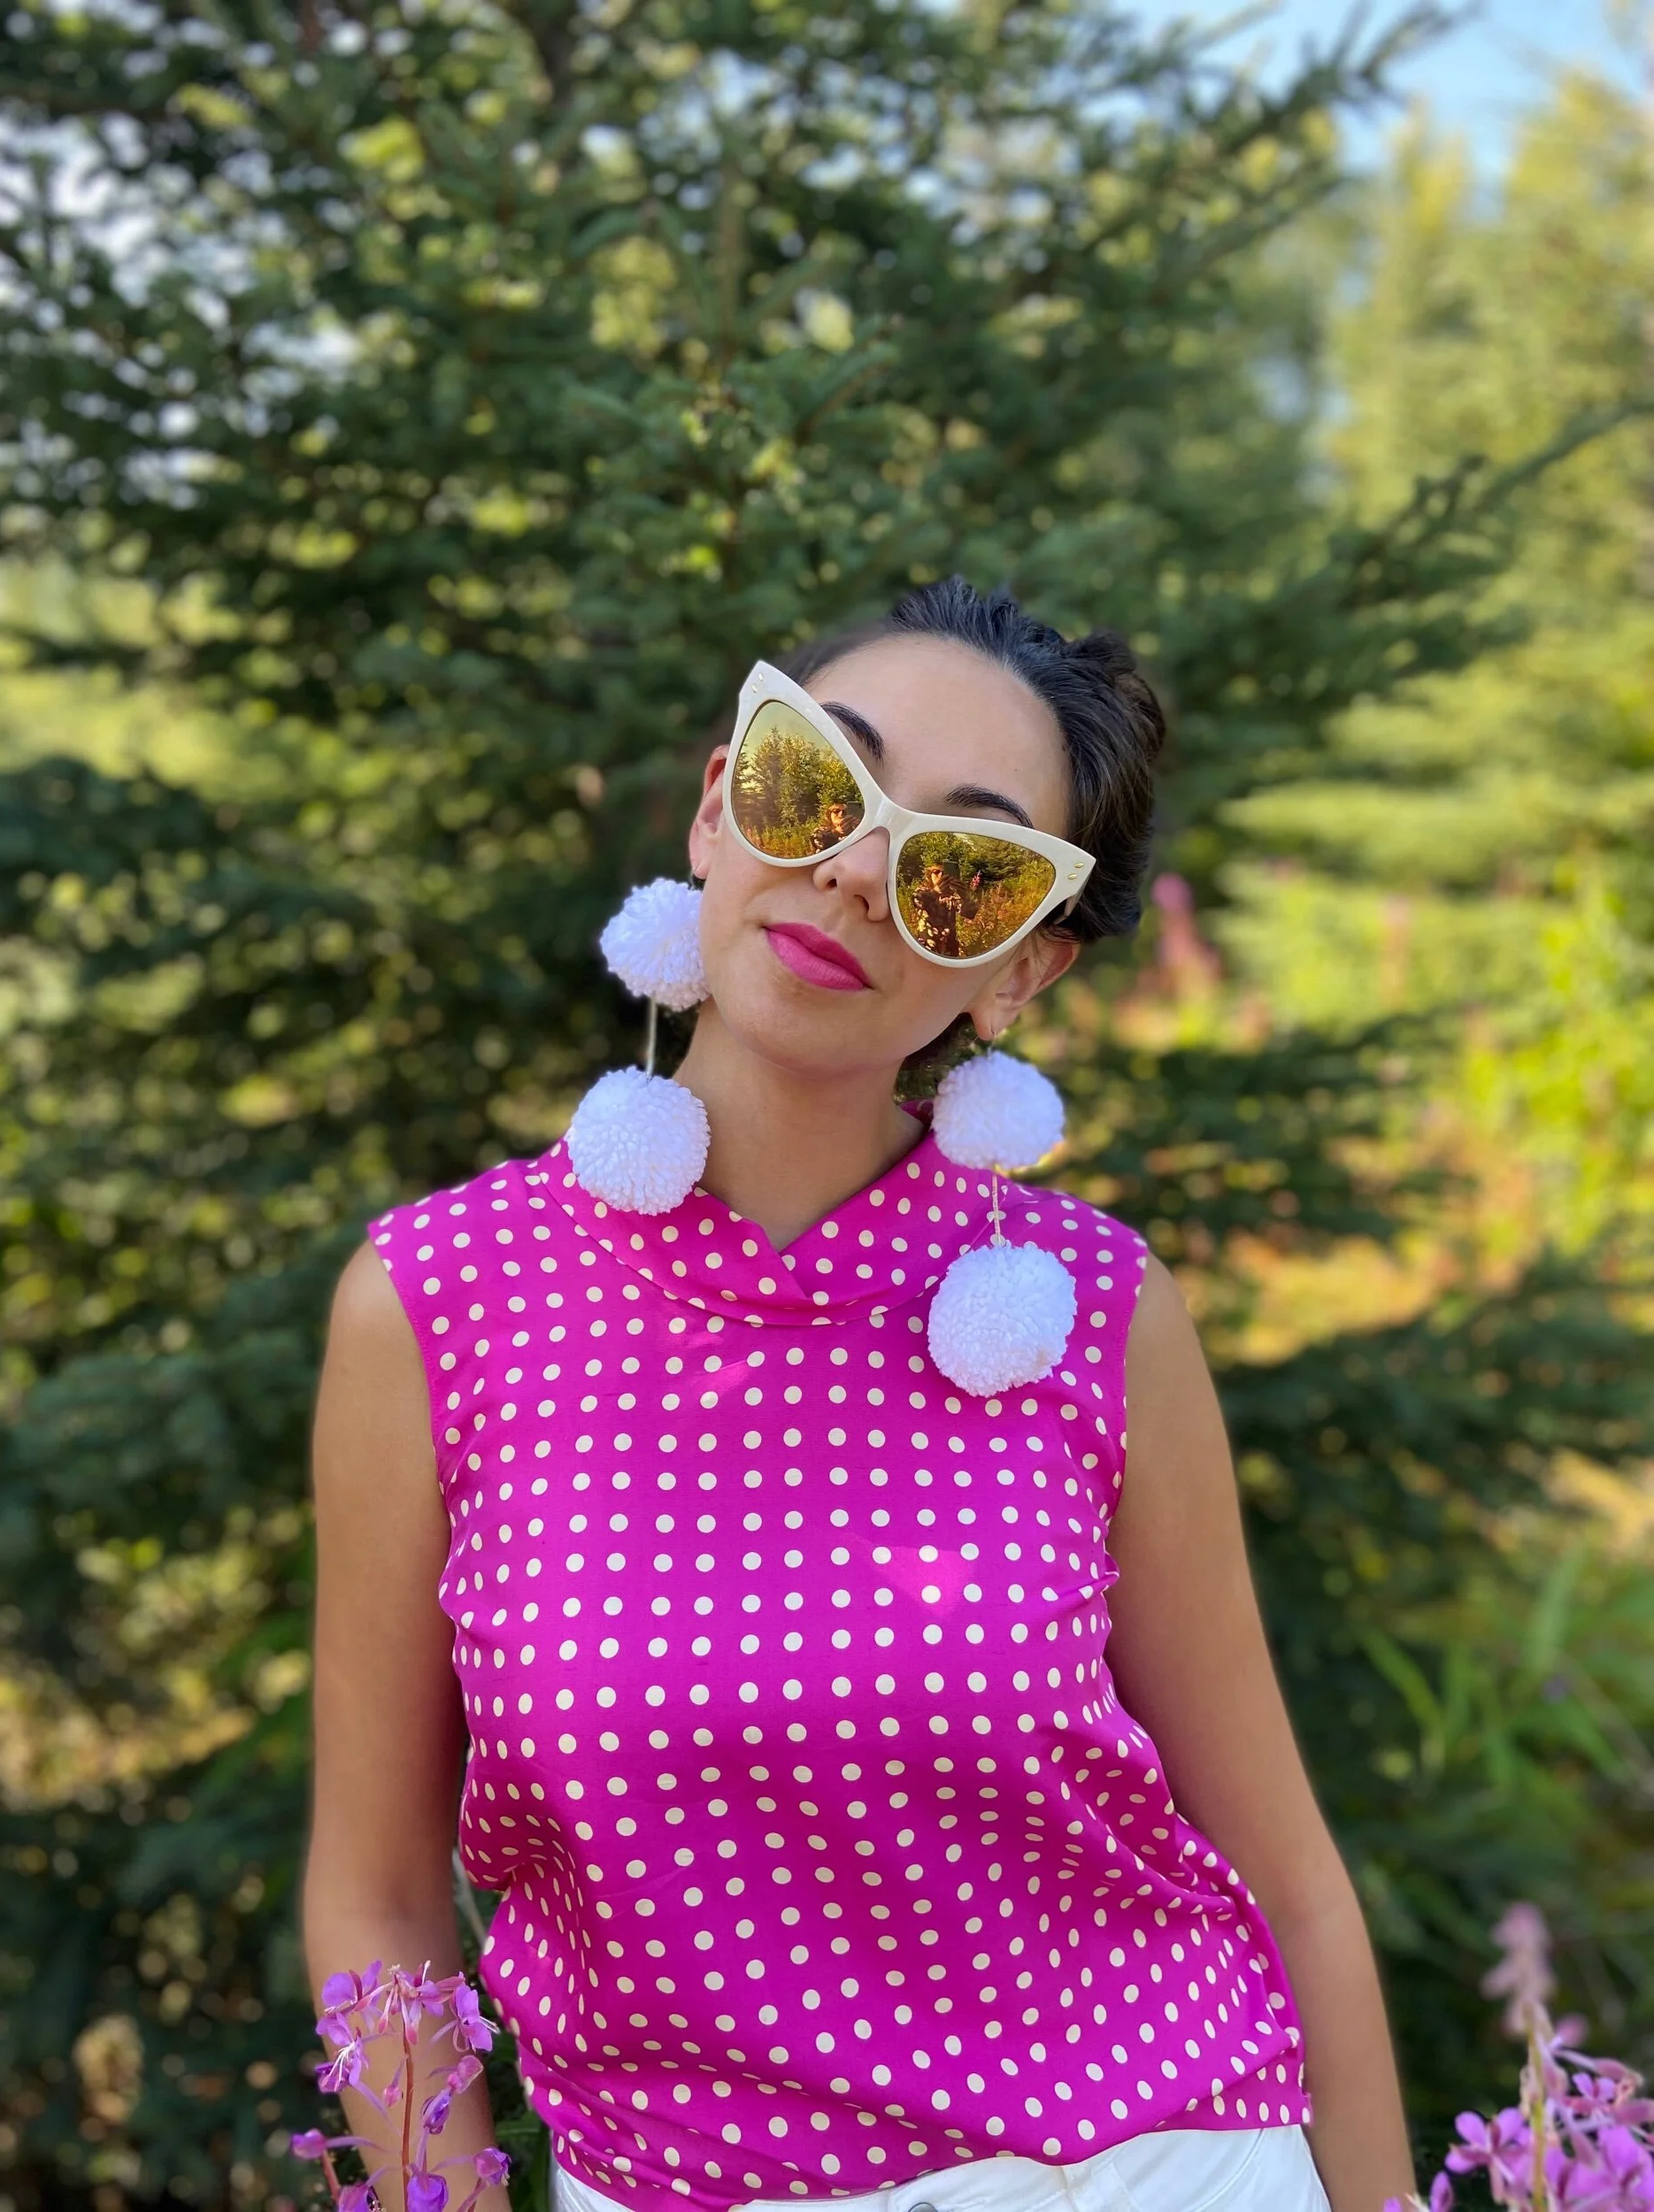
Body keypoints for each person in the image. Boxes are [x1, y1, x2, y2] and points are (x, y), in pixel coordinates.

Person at [302, 577, 1418, 2212]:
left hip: (1161, 2167)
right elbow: (378, 1896)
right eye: (814, 781)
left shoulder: (1095, 1313)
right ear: (717, 804)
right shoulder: (438, 1304)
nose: (852, 869)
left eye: (959, 866)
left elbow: (1284, 1875)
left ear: (1021, 969)